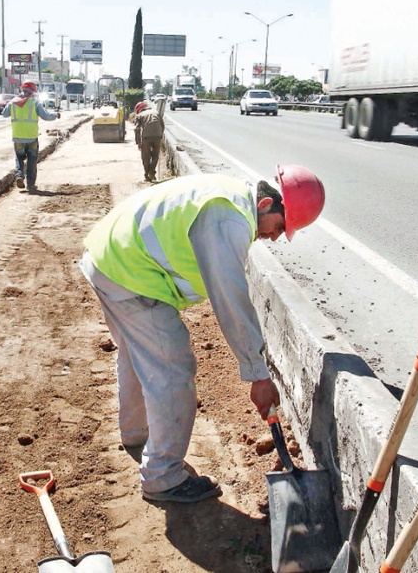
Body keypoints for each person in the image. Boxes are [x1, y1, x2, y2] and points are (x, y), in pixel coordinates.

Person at [79, 165, 326, 503]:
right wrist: (257, 374)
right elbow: (230, 300)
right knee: (171, 367)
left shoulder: (228, 198)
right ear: (267, 204)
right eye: (280, 227)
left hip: (110, 261)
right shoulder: (229, 219)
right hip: (133, 276)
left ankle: (136, 433)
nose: (275, 237)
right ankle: (162, 477)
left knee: (137, 354)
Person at [2, 81, 59, 191]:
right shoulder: (35, 103)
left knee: (19, 158)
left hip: (17, 136)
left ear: (22, 90)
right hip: (32, 137)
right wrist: (56, 114)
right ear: (33, 92)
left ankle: (19, 176)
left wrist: (11, 102)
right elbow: (46, 116)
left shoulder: (13, 102)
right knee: (32, 161)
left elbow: (4, 114)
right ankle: (30, 185)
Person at [132, 103, 164, 182]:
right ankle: (152, 173)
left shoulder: (140, 115)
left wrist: (138, 142)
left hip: (146, 137)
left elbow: (136, 129)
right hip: (157, 135)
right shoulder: (156, 113)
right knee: (155, 156)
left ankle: (147, 175)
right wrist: (160, 136)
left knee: (146, 157)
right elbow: (162, 125)